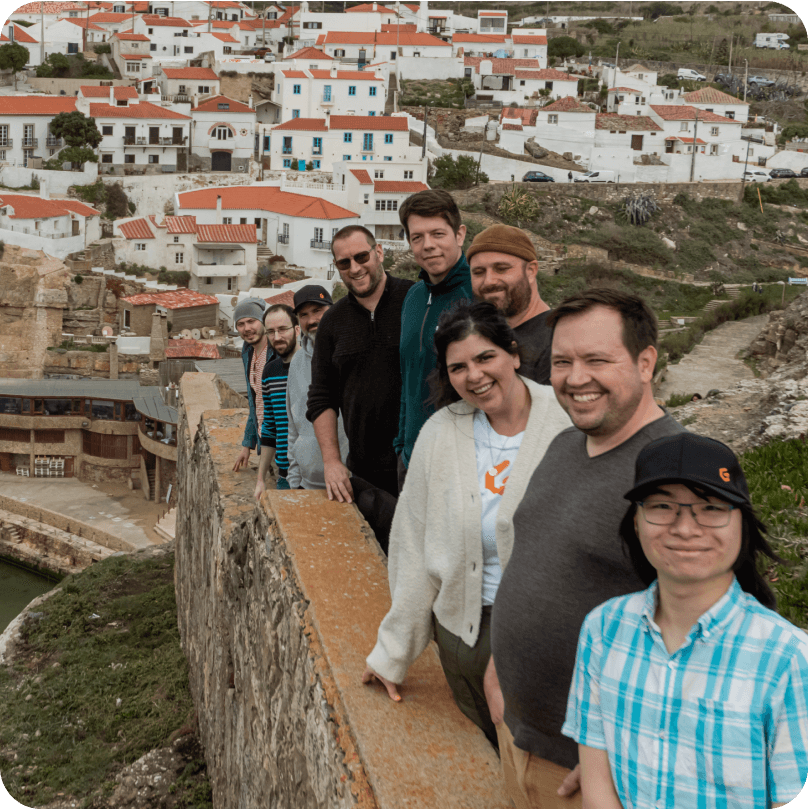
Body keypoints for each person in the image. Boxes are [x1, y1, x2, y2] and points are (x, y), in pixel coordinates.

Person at [486, 289, 686, 808]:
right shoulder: (562, 444)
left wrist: (620, 757)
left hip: (594, 773)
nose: (575, 379)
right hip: (519, 740)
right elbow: (535, 558)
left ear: (646, 362)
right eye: (562, 362)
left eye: (597, 360)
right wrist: (499, 668)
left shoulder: (678, 474)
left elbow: (713, 636)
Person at [363, 301, 572, 747]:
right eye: (458, 367)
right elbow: (413, 548)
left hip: (548, 644)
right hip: (463, 641)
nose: (473, 375)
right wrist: (392, 653)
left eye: (485, 358)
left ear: (513, 353)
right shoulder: (441, 433)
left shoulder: (568, 421)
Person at [563, 433, 808, 809]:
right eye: (662, 506)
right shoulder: (603, 629)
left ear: (742, 523)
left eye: (710, 507)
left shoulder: (789, 659)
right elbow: (598, 784)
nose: (685, 528)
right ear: (637, 522)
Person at [307, 225, 413, 500]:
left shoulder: (416, 301)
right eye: (344, 262)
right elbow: (321, 397)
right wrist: (331, 462)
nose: (354, 268)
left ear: (378, 252)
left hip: (420, 464)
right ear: (336, 266)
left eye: (361, 257)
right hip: (365, 474)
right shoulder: (332, 322)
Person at [394, 189, 471, 490]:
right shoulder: (414, 297)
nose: (428, 246)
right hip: (411, 460)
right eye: (417, 237)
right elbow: (407, 376)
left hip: (460, 466)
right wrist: (401, 444)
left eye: (438, 233)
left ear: (459, 234)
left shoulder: (477, 295)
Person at [467, 224, 553, 384]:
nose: (489, 281)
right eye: (478, 272)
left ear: (531, 271)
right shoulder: (479, 337)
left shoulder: (560, 339)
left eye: (501, 268)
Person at [284, 285, 349, 491]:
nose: (311, 320)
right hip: (306, 484)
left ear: (332, 310)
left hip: (349, 482)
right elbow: (293, 426)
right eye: (304, 315)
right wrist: (294, 480)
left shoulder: (350, 354)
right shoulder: (296, 363)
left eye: (318, 311)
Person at [254, 303, 300, 499]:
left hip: (314, 478)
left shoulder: (316, 367)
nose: (277, 337)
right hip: (284, 477)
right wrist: (260, 479)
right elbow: (270, 427)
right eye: (271, 332)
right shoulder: (270, 372)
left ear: (297, 329)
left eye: (282, 329)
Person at [233, 297, 275, 474]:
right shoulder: (248, 352)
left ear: (263, 321)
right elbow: (255, 401)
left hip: (281, 444)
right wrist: (247, 445)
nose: (247, 328)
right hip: (264, 441)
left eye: (251, 321)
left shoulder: (277, 352)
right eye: (241, 324)